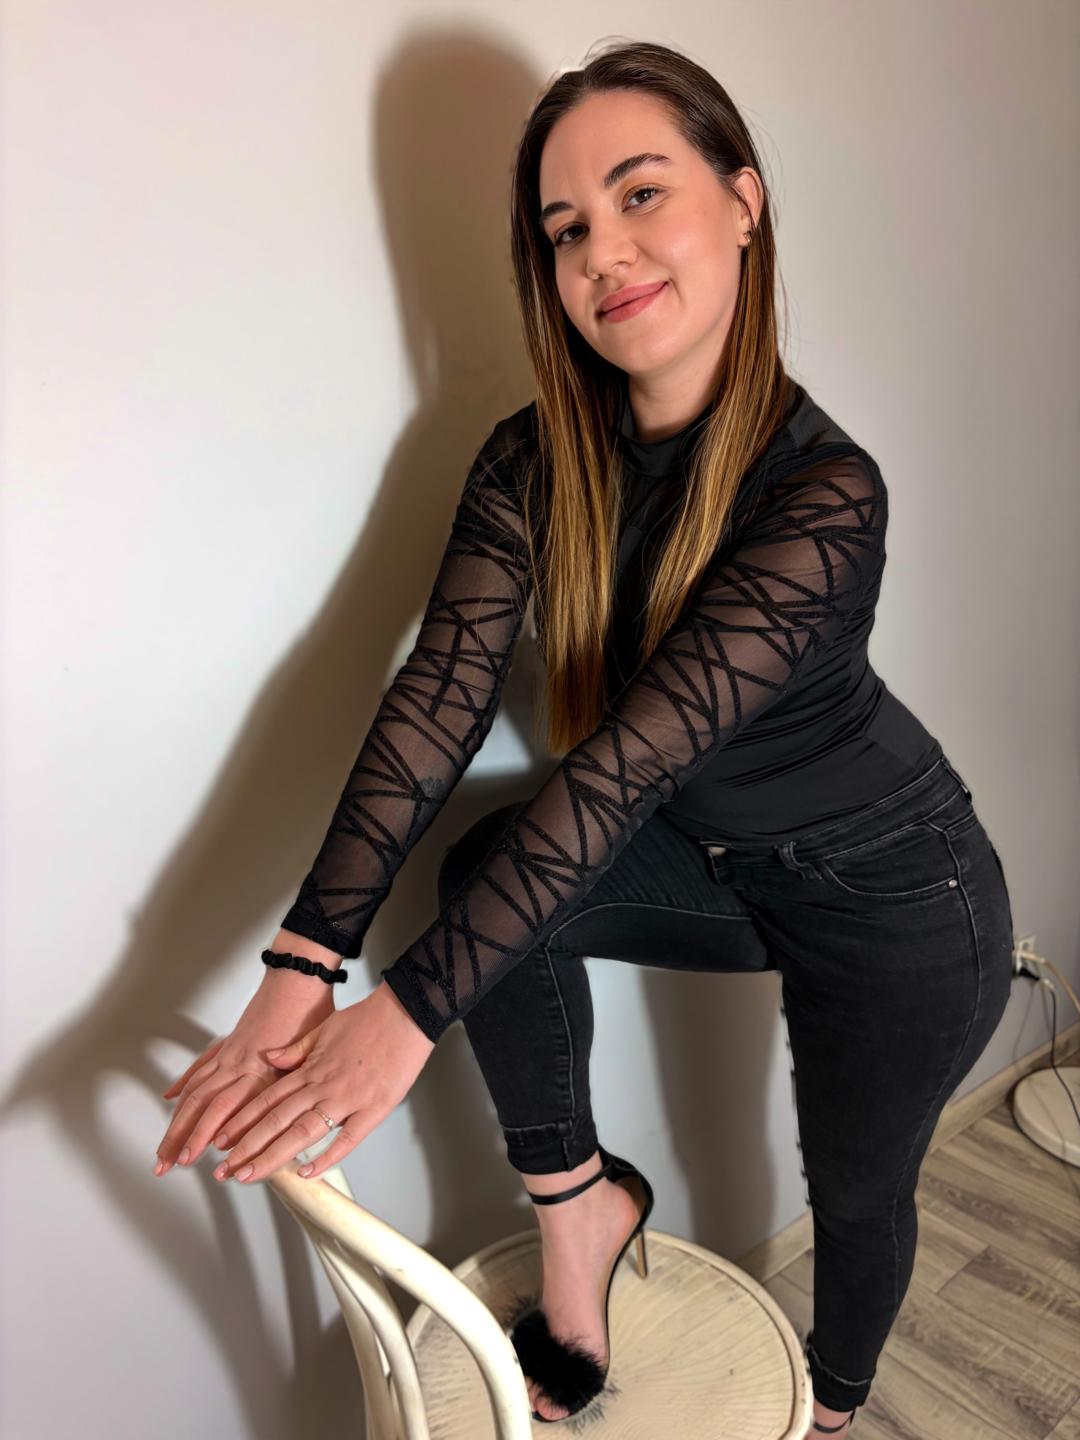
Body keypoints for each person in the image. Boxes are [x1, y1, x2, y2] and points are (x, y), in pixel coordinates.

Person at [155, 40, 1014, 1437]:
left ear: (744, 201)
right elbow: (437, 697)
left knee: (858, 1194)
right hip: (722, 859)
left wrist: (407, 1016)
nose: (603, 251)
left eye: (640, 194)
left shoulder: (825, 496)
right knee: (486, 867)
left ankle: (838, 1413)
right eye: (566, 229)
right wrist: (304, 964)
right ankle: (583, 1214)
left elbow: (628, 769)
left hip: (897, 888)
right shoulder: (529, 459)